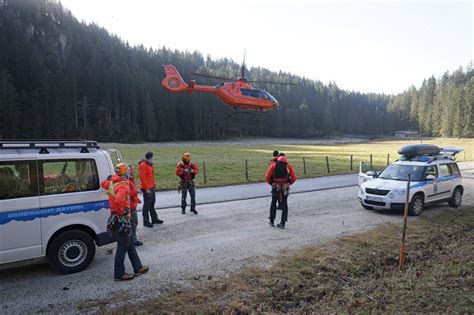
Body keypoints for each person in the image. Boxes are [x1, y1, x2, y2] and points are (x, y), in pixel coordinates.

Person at [101, 163, 148, 281]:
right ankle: (119, 274)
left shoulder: (112, 182)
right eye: (128, 171)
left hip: (115, 217)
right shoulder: (123, 186)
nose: (130, 172)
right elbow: (119, 199)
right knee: (122, 247)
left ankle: (138, 267)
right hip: (121, 217)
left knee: (130, 243)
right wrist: (123, 213)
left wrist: (110, 178)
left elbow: (103, 184)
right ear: (125, 173)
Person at [265, 153, 297, 229]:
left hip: (276, 187)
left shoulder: (273, 165)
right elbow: (294, 178)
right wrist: (289, 182)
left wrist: (271, 183)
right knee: (284, 204)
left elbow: (267, 176)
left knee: (273, 202)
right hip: (285, 187)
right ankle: (282, 223)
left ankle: (271, 221)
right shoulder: (288, 166)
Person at [138, 151, 163, 227]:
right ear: (150, 157)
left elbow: (151, 176)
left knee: (152, 204)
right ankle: (146, 221)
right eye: (152, 157)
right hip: (147, 188)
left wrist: (153, 184)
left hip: (151, 187)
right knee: (147, 205)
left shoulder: (149, 164)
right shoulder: (143, 165)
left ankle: (154, 219)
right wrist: (147, 188)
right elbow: (143, 178)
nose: (153, 159)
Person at [128, 165, 143, 246]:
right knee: (133, 223)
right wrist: (136, 192)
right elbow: (128, 193)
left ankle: (132, 239)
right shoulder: (128, 181)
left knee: (133, 223)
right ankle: (133, 240)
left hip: (132, 204)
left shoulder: (130, 179)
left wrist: (137, 199)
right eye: (131, 170)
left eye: (133, 170)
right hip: (130, 206)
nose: (133, 171)